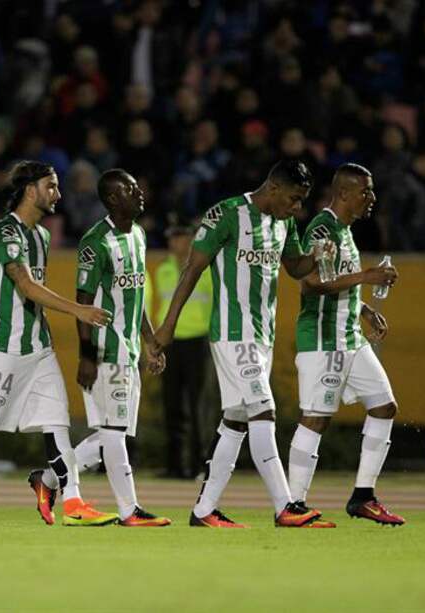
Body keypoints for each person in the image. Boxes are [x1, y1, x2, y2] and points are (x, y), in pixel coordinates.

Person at [154, 160, 334, 528]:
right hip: (233, 333)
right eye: (294, 198)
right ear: (273, 188)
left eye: (302, 200)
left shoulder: (284, 222)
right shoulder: (228, 213)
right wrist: (167, 327)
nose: (298, 207)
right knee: (263, 411)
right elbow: (192, 269)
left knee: (235, 420)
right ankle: (285, 506)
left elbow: (294, 268)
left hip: (262, 335)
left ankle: (204, 510)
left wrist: (316, 256)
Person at [0, 160, 115, 527]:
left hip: (39, 347)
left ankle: (74, 503)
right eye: (51, 186)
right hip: (4, 348)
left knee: (57, 423)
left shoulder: (42, 237)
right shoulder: (6, 232)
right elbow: (26, 285)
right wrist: (78, 310)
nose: (58, 194)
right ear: (31, 190)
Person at [29, 169, 171, 527]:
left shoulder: (138, 235)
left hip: (130, 350)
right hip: (106, 350)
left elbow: (136, 297)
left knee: (114, 434)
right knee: (114, 434)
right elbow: (83, 302)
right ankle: (130, 510)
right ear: (112, 199)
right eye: (130, 189)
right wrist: (87, 356)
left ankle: (48, 480)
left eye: (137, 187)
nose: (139, 193)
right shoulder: (96, 242)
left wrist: (150, 341)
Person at [288, 163, 405, 526]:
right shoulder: (322, 228)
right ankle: (293, 505)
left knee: (384, 407)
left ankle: (363, 496)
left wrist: (364, 309)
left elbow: (336, 280)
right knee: (315, 419)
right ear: (343, 193)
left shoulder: (345, 231)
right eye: (365, 191)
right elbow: (311, 283)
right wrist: (367, 276)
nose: (372, 197)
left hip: (350, 337)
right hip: (323, 339)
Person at [155, 224, 213, 479]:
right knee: (172, 405)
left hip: (198, 341)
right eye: (173, 238)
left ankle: (200, 465)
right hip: (171, 344)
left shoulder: (206, 271)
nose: (175, 243)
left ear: (191, 239)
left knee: (198, 406)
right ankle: (175, 465)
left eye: (180, 237)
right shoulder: (163, 270)